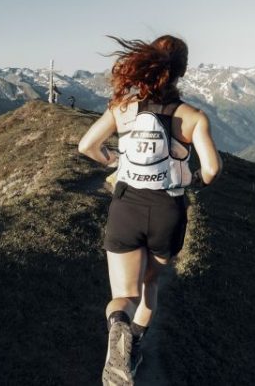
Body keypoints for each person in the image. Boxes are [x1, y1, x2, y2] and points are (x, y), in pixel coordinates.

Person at [77, 34, 222, 385]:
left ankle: (119, 331)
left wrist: (112, 160)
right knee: (150, 284)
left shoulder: (122, 109)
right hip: (167, 211)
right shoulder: (193, 117)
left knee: (123, 295)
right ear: (181, 72)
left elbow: (86, 146)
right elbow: (212, 169)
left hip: (126, 206)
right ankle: (135, 345)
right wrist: (192, 182)